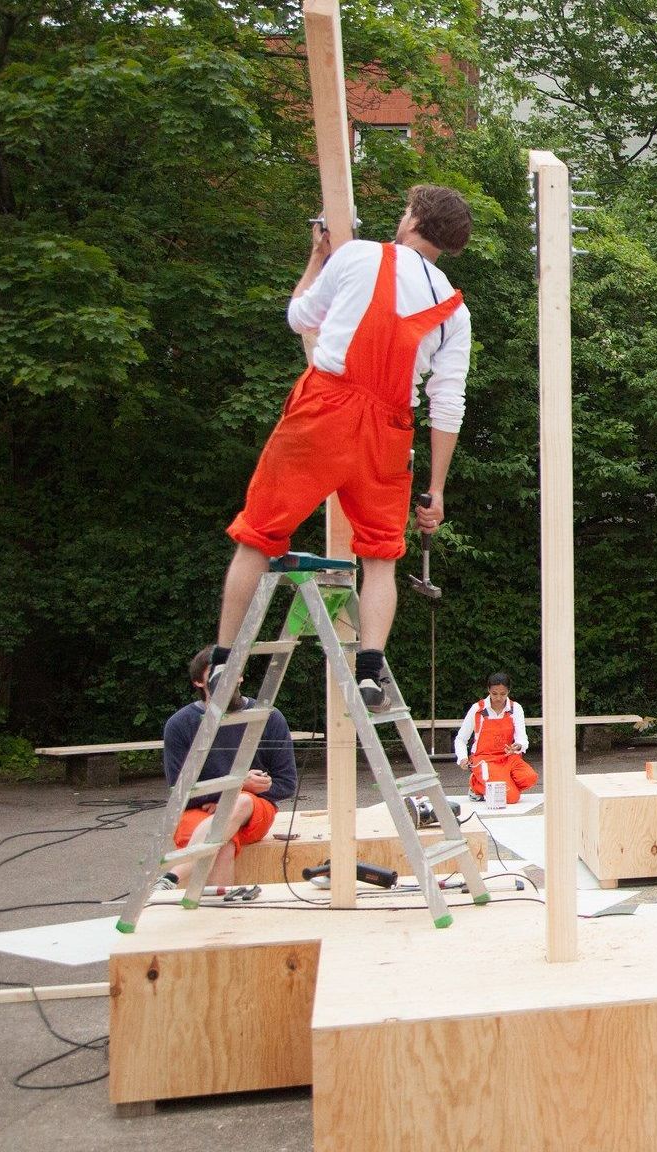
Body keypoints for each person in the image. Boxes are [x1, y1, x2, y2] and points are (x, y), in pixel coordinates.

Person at [208, 185, 474, 711]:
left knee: (257, 534)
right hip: (388, 431)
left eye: (406, 210)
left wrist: (317, 257)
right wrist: (436, 490)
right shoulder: (453, 311)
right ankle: (370, 671)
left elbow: (300, 318)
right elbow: (447, 404)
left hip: (325, 411)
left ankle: (222, 665)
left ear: (414, 220)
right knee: (380, 555)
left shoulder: (357, 256)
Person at [156, 646, 300, 888]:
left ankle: (172, 876)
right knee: (223, 846)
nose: (227, 679)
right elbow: (178, 793)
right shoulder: (180, 724)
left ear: (241, 676)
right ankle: (219, 910)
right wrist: (234, 787)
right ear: (198, 682)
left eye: (233, 671)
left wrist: (235, 795)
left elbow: (286, 784)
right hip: (198, 812)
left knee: (241, 801)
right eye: (216, 674)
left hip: (252, 811)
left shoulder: (269, 717)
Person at [454, 672, 536, 802]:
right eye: (494, 693)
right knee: (511, 797)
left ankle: (496, 784)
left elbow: (522, 738)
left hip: (508, 757)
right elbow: (461, 739)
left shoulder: (516, 708)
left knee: (530, 778)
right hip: (484, 760)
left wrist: (518, 746)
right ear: (488, 690)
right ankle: (476, 784)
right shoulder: (477, 709)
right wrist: (462, 758)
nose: (498, 698)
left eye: (503, 694)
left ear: (509, 691)